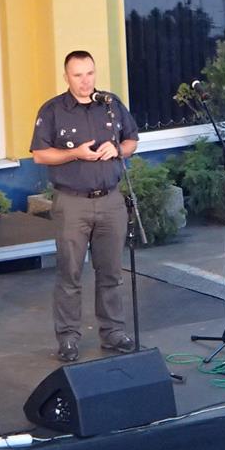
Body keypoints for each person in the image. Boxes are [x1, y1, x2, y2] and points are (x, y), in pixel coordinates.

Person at [31, 50, 139, 362]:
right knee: (70, 273)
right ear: (66, 77)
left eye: (89, 73)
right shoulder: (53, 110)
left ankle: (113, 331)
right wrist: (74, 154)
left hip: (110, 200)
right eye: (78, 75)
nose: (85, 81)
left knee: (111, 271)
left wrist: (117, 149)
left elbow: (132, 141)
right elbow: (39, 154)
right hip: (72, 202)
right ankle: (68, 338)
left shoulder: (110, 104)